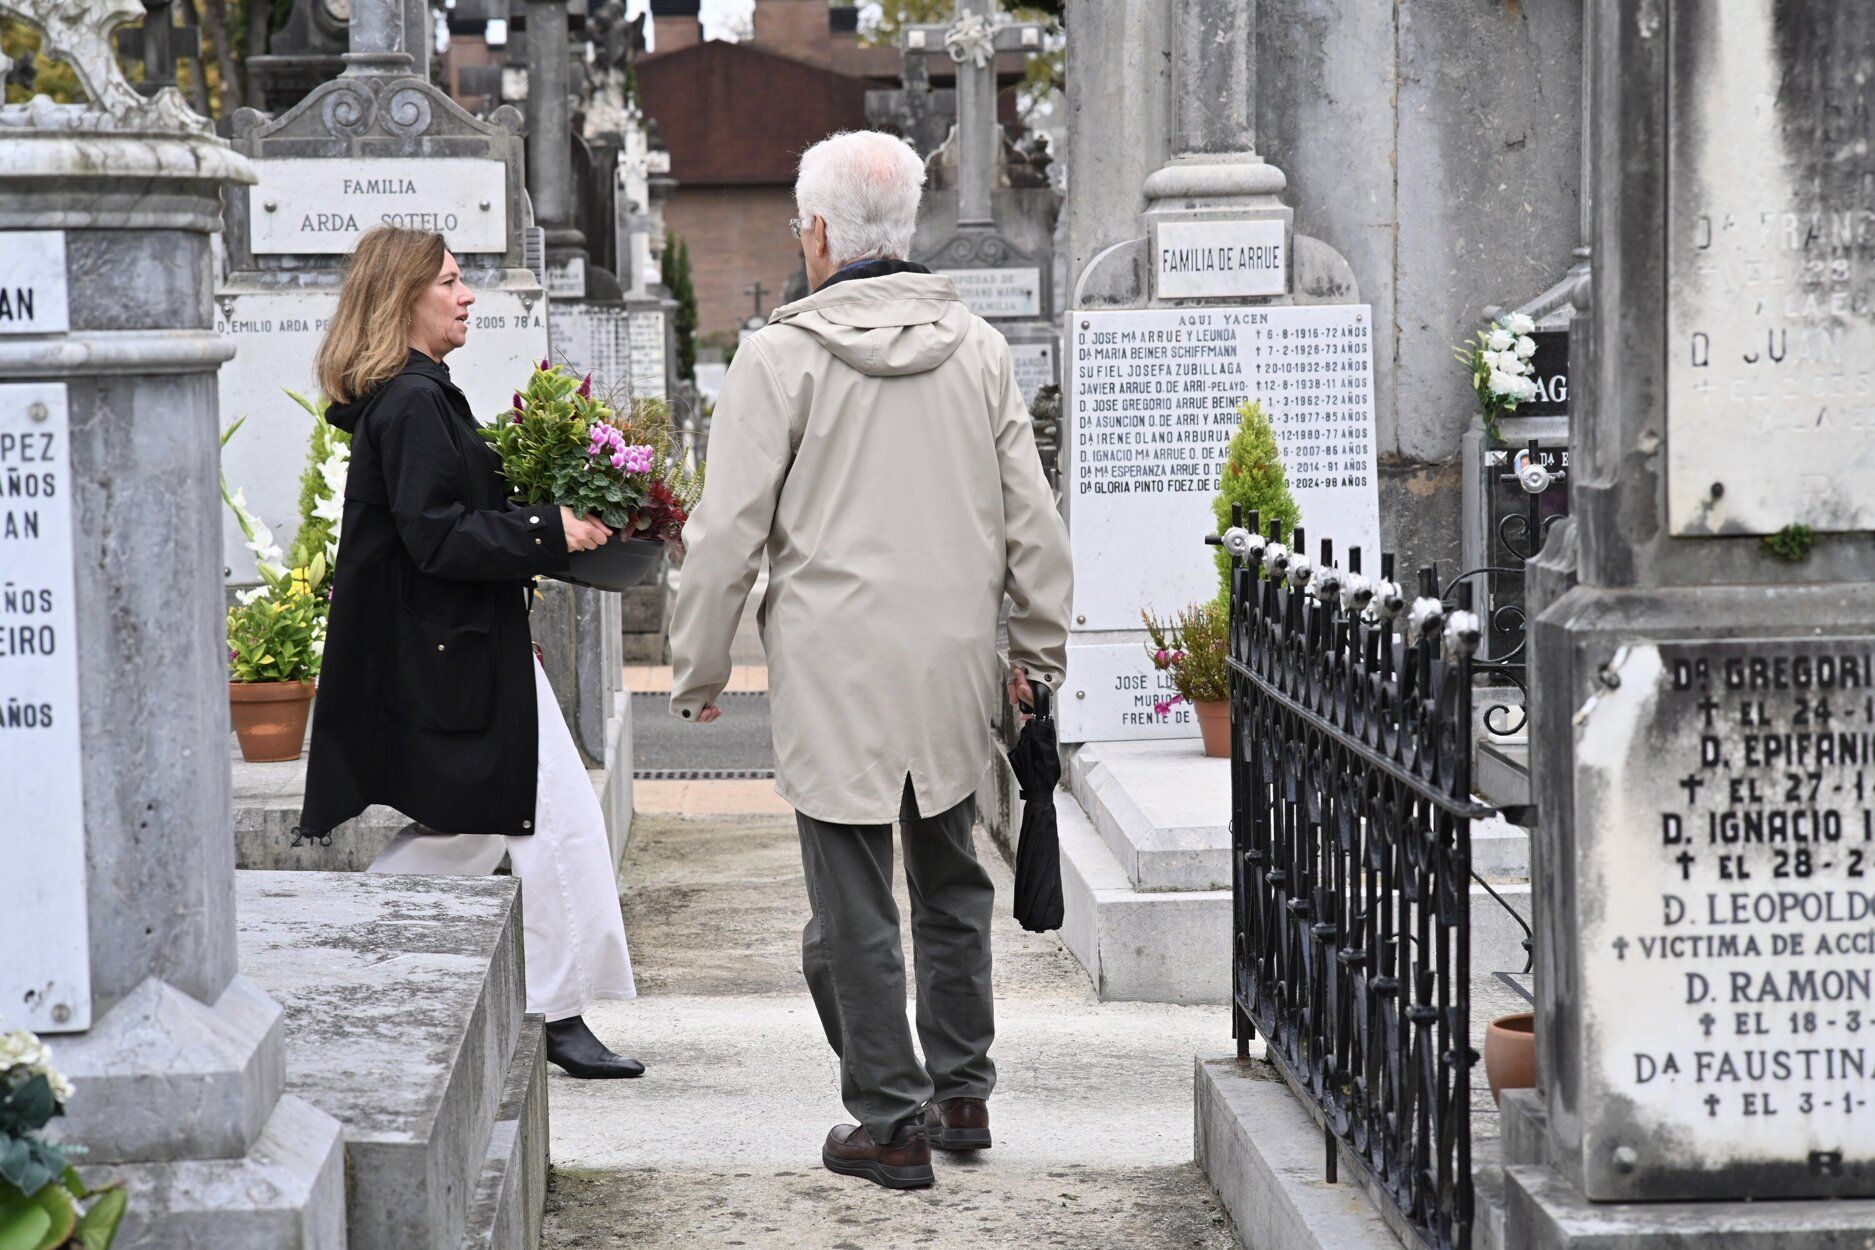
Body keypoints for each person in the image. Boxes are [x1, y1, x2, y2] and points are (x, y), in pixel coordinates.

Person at [667, 131, 1073, 1189]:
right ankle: (963, 1088)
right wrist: (1034, 651)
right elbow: (1034, 523)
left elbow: (726, 533)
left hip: (834, 667)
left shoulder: (779, 357)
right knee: (951, 876)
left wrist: (698, 668)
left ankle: (888, 1120)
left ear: (816, 234)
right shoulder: (979, 349)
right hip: (949, 660)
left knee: (849, 902)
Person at [295, 225, 643, 1079]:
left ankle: (358, 972)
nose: (467, 296)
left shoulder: (421, 394)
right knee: (544, 819)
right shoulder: (412, 402)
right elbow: (433, 536)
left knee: (492, 826)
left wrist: (546, 515)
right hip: (453, 655)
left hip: (465, 649)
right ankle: (551, 1013)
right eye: (450, 282)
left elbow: (444, 519)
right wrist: (541, 528)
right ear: (404, 297)